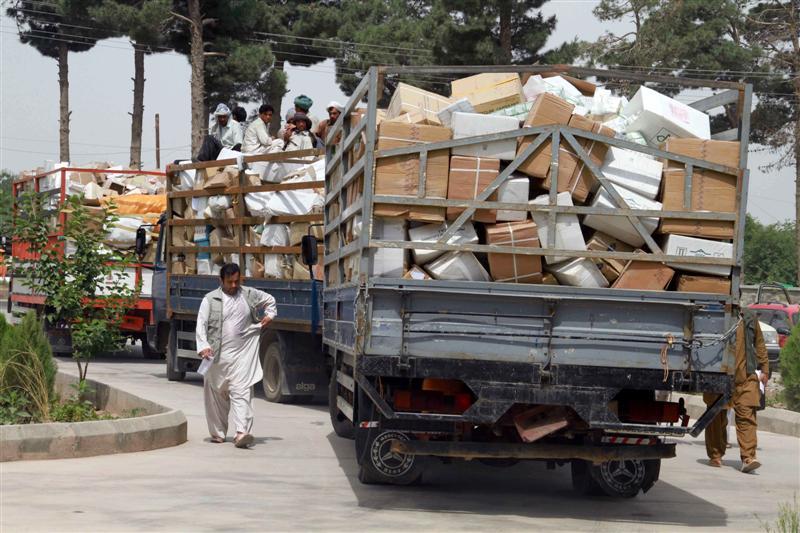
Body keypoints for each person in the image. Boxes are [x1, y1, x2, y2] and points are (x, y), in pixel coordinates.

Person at [196, 263, 277, 448]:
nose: (233, 285)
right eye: (229, 282)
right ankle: (218, 433)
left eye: (236, 281)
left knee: (242, 392)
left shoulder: (248, 294)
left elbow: (270, 300)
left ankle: (242, 432)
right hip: (217, 357)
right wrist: (203, 345)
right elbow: (201, 324)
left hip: (243, 355)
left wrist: (270, 315)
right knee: (217, 395)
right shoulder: (210, 300)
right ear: (220, 281)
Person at [704, 310, 769, 472]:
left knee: (747, 416)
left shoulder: (748, 318)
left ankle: (748, 457)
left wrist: (765, 368)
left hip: (745, 377)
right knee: (715, 417)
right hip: (718, 376)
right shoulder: (713, 314)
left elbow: (759, 343)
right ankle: (715, 455)